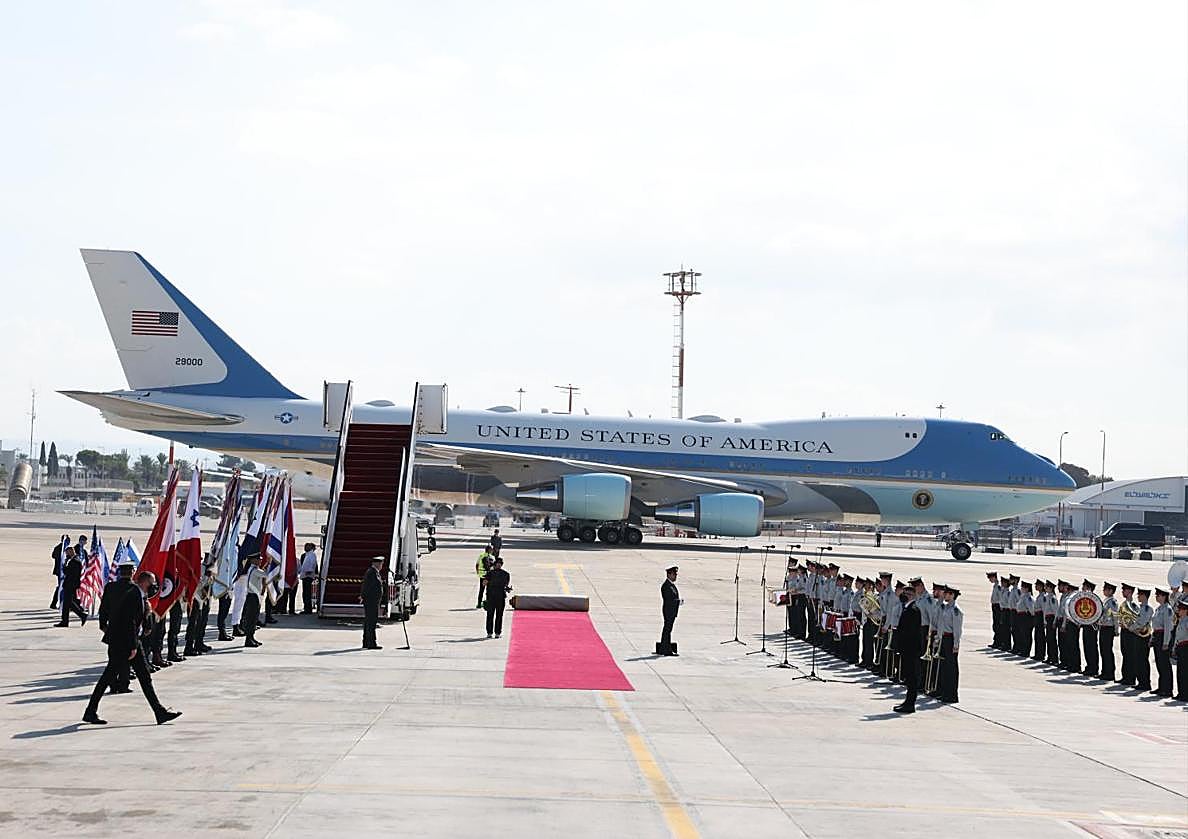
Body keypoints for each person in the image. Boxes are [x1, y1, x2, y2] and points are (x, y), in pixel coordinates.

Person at [83, 570, 182, 726]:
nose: (154, 586)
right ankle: (90, 711)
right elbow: (128, 623)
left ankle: (160, 712)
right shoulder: (133, 595)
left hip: (130, 641)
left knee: (144, 677)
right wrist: (133, 646)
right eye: (152, 583)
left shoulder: (139, 595)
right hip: (122, 643)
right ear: (144, 582)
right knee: (108, 677)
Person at [98, 561, 136, 693]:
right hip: (128, 629)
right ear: (132, 573)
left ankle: (113, 685)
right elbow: (137, 614)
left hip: (113, 628)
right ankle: (123, 684)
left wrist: (103, 625)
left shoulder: (110, 587)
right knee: (126, 659)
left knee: (113, 658)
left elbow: (103, 608)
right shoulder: (134, 589)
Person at [892, 584, 922, 713]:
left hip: (910, 649)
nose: (903, 596)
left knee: (911, 676)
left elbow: (910, 632)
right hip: (907, 648)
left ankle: (910, 704)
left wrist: (903, 644)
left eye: (906, 594)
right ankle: (908, 701)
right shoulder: (907, 608)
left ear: (912, 595)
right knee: (908, 677)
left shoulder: (913, 610)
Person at [937, 585, 963, 704]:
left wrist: (956, 644)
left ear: (952, 595)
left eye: (947, 593)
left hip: (951, 639)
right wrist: (938, 638)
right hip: (944, 638)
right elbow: (941, 624)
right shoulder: (945, 608)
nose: (944, 595)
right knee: (944, 667)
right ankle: (944, 692)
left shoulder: (956, 610)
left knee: (951, 668)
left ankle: (952, 694)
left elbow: (957, 629)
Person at [55, 546, 87, 627]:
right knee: (69, 603)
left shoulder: (74, 561)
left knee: (67, 604)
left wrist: (65, 565)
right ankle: (81, 615)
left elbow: (68, 572)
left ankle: (66, 621)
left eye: (67, 553)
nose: (66, 555)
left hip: (70, 585)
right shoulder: (75, 560)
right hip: (71, 585)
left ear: (71, 552)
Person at [1150, 588, 1174, 697]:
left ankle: (1167, 689)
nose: (1156, 597)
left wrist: (1166, 643)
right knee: (1159, 663)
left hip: (1163, 637)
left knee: (1165, 664)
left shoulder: (1167, 609)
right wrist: (1152, 638)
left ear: (1164, 596)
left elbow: (1168, 628)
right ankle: (1161, 686)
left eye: (1158, 595)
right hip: (1157, 636)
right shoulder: (1159, 609)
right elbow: (1155, 626)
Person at [1131, 588, 1153, 692]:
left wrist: (1132, 627)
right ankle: (1140, 681)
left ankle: (1145, 683)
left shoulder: (1148, 609)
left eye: (1139, 595)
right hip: (1137, 635)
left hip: (1143, 636)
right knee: (1137, 659)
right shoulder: (1139, 608)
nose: (1138, 596)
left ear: (1144, 596)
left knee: (1143, 660)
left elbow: (1142, 622)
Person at [242, 553, 266, 648]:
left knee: (254, 618)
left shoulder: (253, 569)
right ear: (253, 560)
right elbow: (267, 575)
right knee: (251, 619)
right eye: (258, 559)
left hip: (253, 596)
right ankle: (248, 639)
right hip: (253, 597)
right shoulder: (255, 571)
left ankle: (251, 638)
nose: (260, 561)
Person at [361, 555, 384, 650]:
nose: (381, 566)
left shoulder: (374, 572)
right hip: (371, 601)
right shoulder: (372, 573)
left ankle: (366, 642)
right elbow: (367, 587)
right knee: (371, 622)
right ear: (376, 564)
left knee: (369, 622)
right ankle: (371, 643)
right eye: (381, 564)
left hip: (372, 601)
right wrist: (364, 596)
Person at [484, 557, 511, 638]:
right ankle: (493, 633)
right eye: (498, 564)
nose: (499, 565)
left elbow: (484, 583)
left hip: (496, 597)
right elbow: (506, 586)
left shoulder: (491, 573)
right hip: (495, 597)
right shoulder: (505, 574)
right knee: (494, 615)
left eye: (500, 564)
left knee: (495, 615)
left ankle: (494, 633)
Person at [1117, 582, 1137, 686]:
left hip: (1130, 632)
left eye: (1124, 590)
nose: (1122, 592)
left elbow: (1136, 619)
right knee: (1124, 653)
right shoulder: (1123, 604)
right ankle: (1125, 676)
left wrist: (1128, 625)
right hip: (1124, 631)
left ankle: (1130, 678)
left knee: (1130, 655)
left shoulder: (1133, 605)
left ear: (1129, 591)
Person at [658, 566, 681, 656]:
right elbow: (668, 600)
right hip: (669, 611)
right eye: (674, 574)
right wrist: (678, 602)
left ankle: (664, 648)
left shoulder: (671, 585)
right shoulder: (666, 586)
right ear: (669, 575)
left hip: (671, 611)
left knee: (668, 630)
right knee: (667, 630)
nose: (675, 576)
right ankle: (666, 650)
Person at [1098, 582, 1118, 682]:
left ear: (1111, 591)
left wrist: (1116, 630)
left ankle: (1110, 673)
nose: (1103, 590)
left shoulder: (1112, 602)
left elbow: (1115, 616)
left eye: (1105, 589)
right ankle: (1104, 671)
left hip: (1108, 628)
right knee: (1103, 651)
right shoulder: (1106, 601)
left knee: (1107, 651)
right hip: (1103, 627)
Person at [1079, 579, 1099, 677]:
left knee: (1092, 648)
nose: (1082, 589)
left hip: (1092, 626)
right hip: (1086, 625)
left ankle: (1093, 668)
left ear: (1089, 588)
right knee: (1086, 647)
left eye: (1084, 587)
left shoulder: (1093, 599)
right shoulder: (1085, 599)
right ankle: (1089, 666)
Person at [1173, 596, 1188, 701]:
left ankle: (1185, 694)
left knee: (1185, 672)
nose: (1178, 611)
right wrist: (1174, 648)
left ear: (1186, 611)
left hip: (1186, 647)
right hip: (1180, 647)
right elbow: (1177, 636)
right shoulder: (1180, 621)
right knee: (1180, 672)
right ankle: (1181, 692)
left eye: (1181, 609)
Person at [299, 543, 319, 614]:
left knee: (307, 593)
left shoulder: (311, 555)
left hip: (308, 576)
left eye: (307, 547)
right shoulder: (306, 555)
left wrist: (309, 571)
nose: (305, 548)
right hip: (305, 576)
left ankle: (308, 609)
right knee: (305, 593)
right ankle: (306, 608)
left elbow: (312, 564)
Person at [50, 535, 67, 609]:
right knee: (61, 587)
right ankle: (56, 603)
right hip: (60, 571)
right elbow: (54, 556)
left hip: (60, 571)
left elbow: (53, 556)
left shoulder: (58, 547)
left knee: (61, 586)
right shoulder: (61, 548)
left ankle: (56, 603)